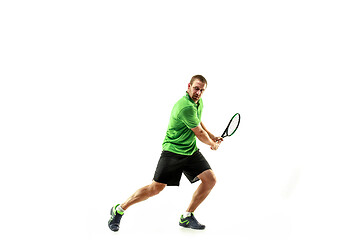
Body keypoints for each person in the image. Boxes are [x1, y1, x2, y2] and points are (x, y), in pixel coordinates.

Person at [108, 75, 223, 231]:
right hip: (173, 151)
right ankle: (119, 209)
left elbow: (198, 122)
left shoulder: (198, 102)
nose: (198, 93)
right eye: (196, 88)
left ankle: (187, 217)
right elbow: (200, 133)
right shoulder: (185, 106)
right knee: (155, 189)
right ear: (189, 86)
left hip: (190, 150)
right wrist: (212, 144)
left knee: (210, 180)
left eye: (202, 90)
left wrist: (213, 136)